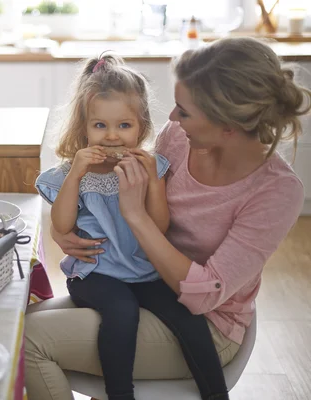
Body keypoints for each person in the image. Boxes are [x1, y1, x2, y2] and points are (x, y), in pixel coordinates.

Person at [25, 37, 309, 400]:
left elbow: (204, 293)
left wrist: (135, 215)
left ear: (227, 125)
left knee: (30, 340)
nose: (171, 119)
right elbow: (104, 207)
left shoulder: (276, 192)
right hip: (136, 278)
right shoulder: (180, 136)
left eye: (184, 111)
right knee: (22, 324)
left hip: (205, 318)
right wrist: (63, 232)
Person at [34, 53, 231, 400]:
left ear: (141, 127)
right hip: (95, 274)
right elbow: (62, 224)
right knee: (122, 311)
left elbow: (158, 226)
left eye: (124, 126)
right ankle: (120, 394)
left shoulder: (151, 168)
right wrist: (76, 172)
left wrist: (153, 182)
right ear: (83, 127)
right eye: (100, 126)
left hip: (146, 271)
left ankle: (216, 395)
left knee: (188, 315)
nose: (112, 137)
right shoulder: (68, 174)